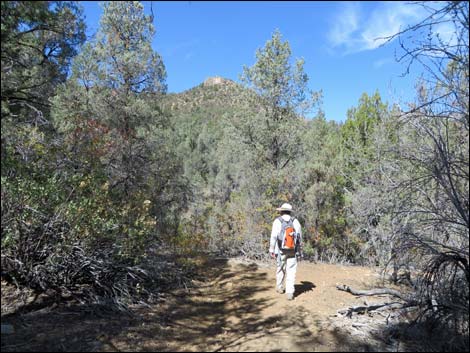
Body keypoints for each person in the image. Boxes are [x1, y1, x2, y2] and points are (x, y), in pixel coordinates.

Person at [269, 203, 302, 300]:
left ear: (282, 211)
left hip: (280, 250)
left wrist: (271, 249)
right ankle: (290, 292)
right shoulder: (295, 221)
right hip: (293, 250)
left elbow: (274, 237)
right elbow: (299, 238)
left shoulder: (277, 221)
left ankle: (279, 287)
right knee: (291, 270)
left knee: (280, 268)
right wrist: (299, 251)